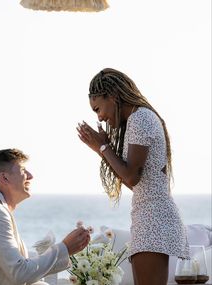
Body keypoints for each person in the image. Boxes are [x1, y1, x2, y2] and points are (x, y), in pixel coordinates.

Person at [77, 68, 189, 285]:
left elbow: (131, 177)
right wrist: (104, 148)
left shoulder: (141, 119)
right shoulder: (138, 120)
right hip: (148, 218)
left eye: (98, 108)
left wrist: (102, 147)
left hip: (154, 220)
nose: (99, 116)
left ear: (113, 96)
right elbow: (139, 184)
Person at [0, 148, 90, 285]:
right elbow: (20, 273)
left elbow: (23, 270)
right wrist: (64, 247)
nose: (30, 176)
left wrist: (68, 250)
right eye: (23, 170)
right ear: (4, 178)